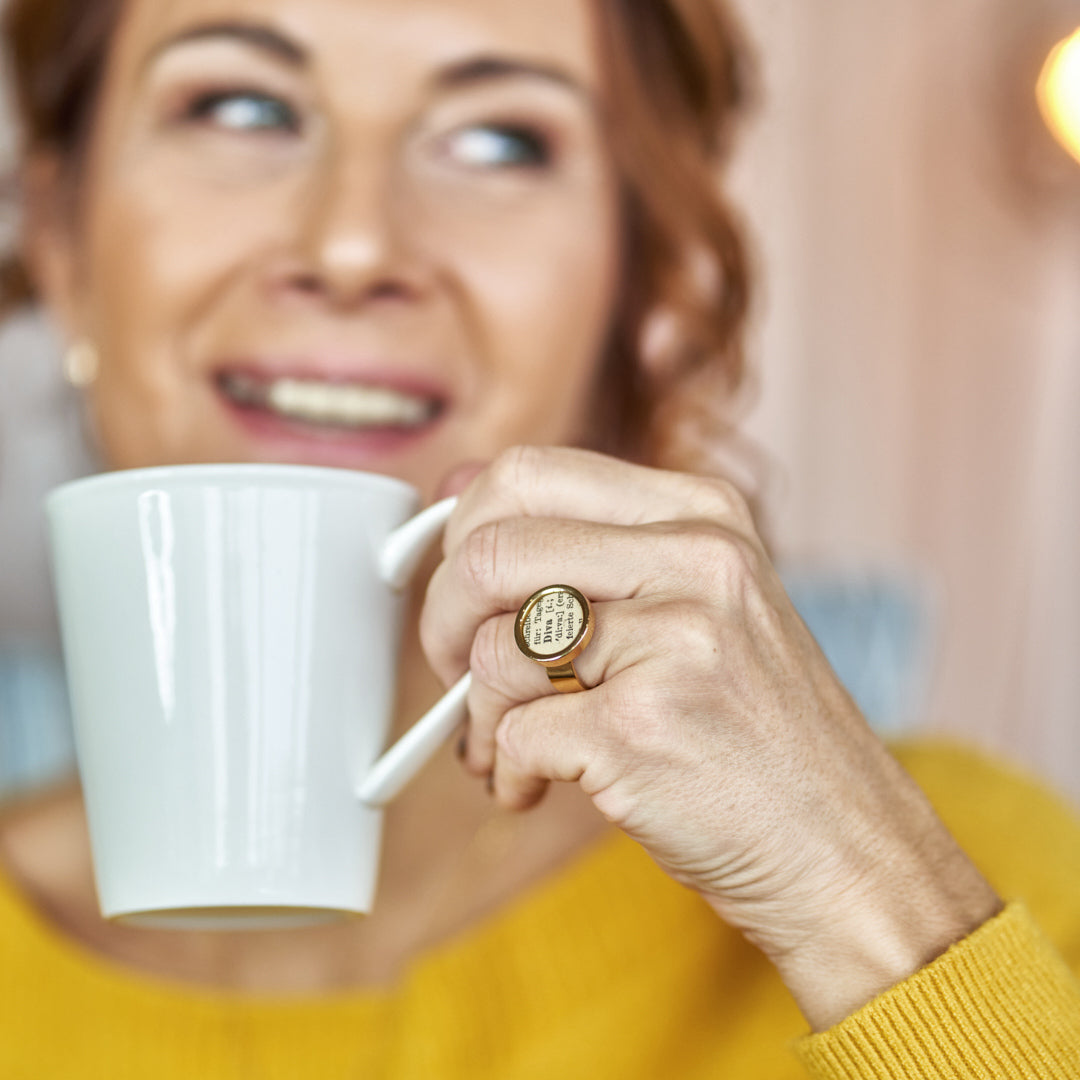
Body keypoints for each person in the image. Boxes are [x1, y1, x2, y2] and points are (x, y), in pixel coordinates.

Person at [0, 0, 1077, 1075]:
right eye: (241, 107)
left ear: (637, 276)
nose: (352, 244)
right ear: (58, 238)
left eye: (497, 140)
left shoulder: (982, 885)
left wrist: (859, 901)